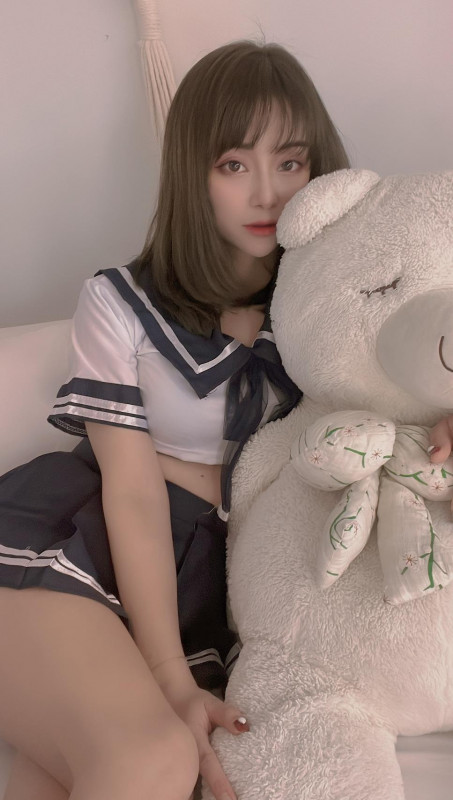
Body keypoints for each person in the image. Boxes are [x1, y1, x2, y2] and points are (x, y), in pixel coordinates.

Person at [0, 40, 451, 800]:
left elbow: (415, 375)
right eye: (234, 164)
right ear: (193, 174)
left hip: (209, 594)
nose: (266, 193)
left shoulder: (333, 316)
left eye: (290, 162)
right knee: (155, 760)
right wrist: (169, 676)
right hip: (74, 555)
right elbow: (133, 495)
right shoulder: (121, 303)